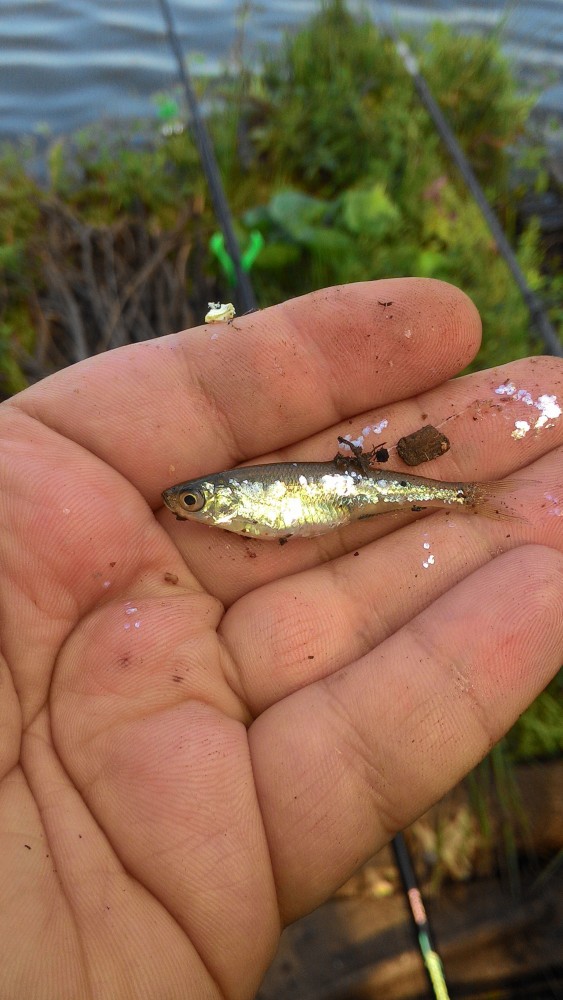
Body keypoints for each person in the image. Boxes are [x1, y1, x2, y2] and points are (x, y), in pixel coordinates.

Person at [1, 277, 562, 999]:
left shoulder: (239, 502)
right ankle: (460, 499)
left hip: (342, 495)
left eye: (195, 501)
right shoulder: (227, 508)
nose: (189, 507)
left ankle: (462, 498)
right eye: (191, 503)